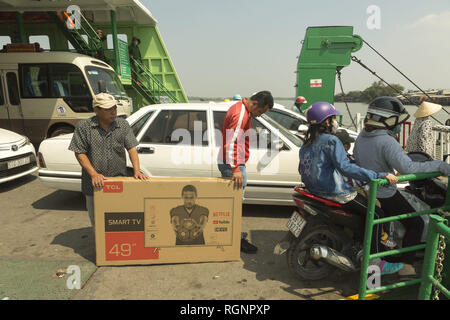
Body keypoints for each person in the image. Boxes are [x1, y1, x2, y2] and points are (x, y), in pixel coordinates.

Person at [299, 101, 403, 275]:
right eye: (332, 118)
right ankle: (375, 263)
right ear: (325, 121)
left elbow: (302, 169)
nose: (334, 122)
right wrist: (379, 175)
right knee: (377, 215)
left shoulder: (307, 143)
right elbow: (346, 168)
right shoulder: (331, 140)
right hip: (337, 194)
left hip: (316, 193)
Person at [354, 96, 450, 276]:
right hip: (384, 193)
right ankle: (406, 266)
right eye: (398, 122)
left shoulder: (362, 136)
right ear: (388, 121)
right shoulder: (387, 141)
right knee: (417, 223)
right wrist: (440, 166)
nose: (399, 126)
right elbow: (408, 167)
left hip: (367, 189)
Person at [69, 93, 149, 226]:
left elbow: (132, 148)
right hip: (94, 184)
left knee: (118, 219)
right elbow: (79, 153)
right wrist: (94, 174)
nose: (113, 112)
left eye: (114, 108)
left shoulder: (122, 125)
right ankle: (100, 246)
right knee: (98, 221)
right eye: (108, 109)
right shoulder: (84, 127)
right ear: (96, 110)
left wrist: (137, 171)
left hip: (118, 181)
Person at [218, 90, 274, 253]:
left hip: (233, 163)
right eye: (260, 112)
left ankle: (233, 235)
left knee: (234, 204)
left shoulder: (239, 107)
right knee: (234, 206)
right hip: (233, 165)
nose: (259, 115)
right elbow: (231, 143)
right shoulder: (240, 115)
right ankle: (236, 240)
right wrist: (235, 169)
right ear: (255, 104)